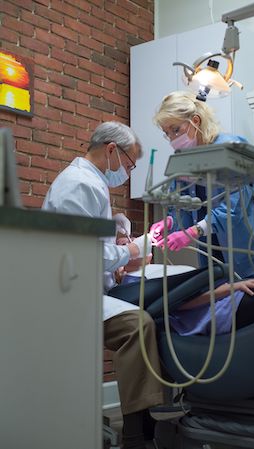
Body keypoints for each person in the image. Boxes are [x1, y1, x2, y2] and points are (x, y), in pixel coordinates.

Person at [42, 121, 164, 449]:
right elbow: (81, 251)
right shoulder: (79, 184)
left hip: (86, 288)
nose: (126, 172)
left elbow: (90, 243)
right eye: (128, 165)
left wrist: (116, 239)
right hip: (68, 296)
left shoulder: (90, 183)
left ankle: (153, 413)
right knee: (138, 325)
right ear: (111, 149)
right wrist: (129, 251)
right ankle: (139, 436)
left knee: (154, 308)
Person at [151, 90, 254, 279]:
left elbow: (233, 208)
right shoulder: (182, 161)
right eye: (167, 134)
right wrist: (170, 222)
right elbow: (182, 208)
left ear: (195, 121)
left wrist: (192, 232)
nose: (173, 139)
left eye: (176, 130)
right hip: (215, 258)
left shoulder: (231, 148)